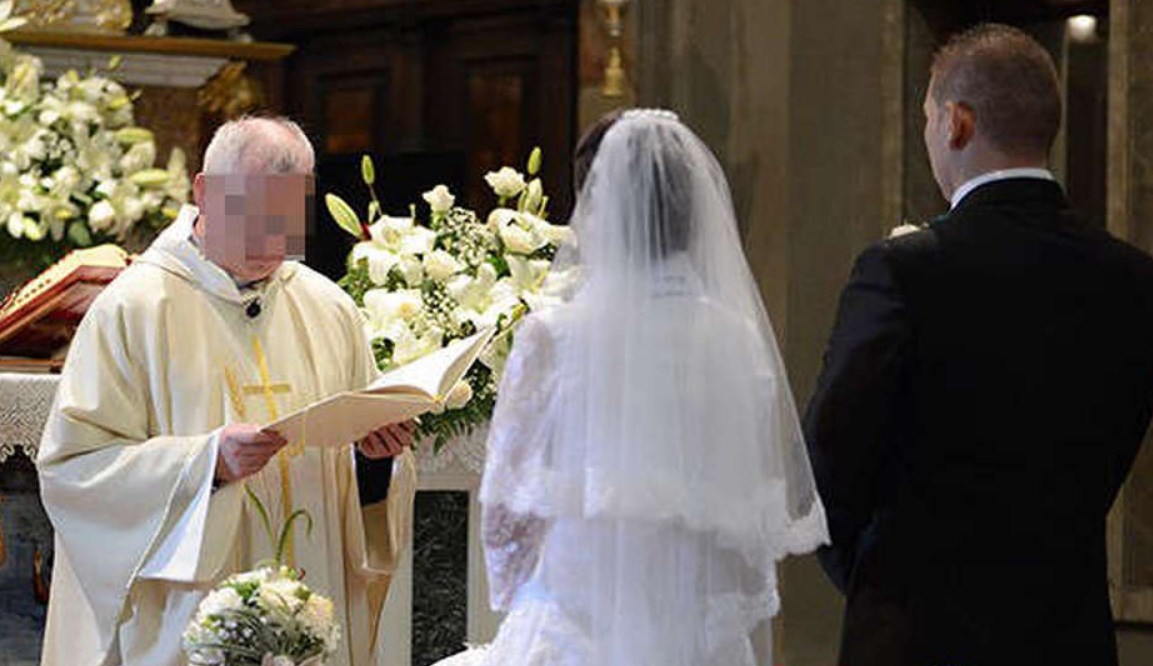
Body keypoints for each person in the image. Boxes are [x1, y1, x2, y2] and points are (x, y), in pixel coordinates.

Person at [804, 24, 1153, 666]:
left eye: (928, 118)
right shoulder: (1135, 281)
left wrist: (885, 577)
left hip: (917, 637)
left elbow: (825, 467)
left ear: (957, 123)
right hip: (1067, 636)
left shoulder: (902, 270)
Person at [436, 109, 828, 666]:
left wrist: (524, 607)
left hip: (574, 624)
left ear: (597, 208)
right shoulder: (735, 335)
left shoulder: (554, 336)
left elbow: (506, 506)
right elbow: (750, 508)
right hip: (699, 630)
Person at [37, 116, 418, 666]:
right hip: (186, 622)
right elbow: (74, 469)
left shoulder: (329, 308)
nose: (271, 239)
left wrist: (373, 462)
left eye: (286, 216)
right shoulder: (135, 308)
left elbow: (362, 482)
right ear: (204, 193)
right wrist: (205, 462)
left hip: (312, 608)